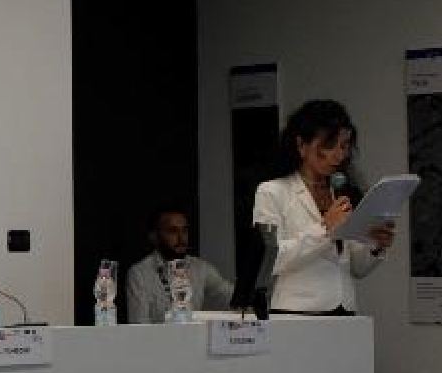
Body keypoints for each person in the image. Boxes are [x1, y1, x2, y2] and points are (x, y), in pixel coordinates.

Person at [252, 100, 395, 314]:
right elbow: (269, 260)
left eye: (344, 145)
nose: (338, 155)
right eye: (329, 145)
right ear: (301, 145)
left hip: (345, 311)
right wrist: (324, 229)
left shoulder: (343, 190)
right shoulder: (272, 191)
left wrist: (376, 245)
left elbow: (357, 268)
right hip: (297, 313)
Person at [125, 206, 235, 323]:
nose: (181, 238)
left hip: (192, 334)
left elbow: (229, 295)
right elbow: (138, 324)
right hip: (159, 335)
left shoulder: (200, 268)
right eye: (173, 231)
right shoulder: (139, 273)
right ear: (154, 237)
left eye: (184, 230)